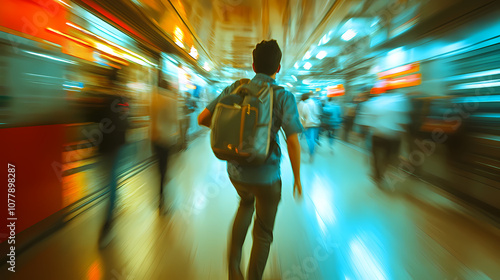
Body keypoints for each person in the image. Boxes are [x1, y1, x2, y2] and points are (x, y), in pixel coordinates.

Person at [197, 39, 303, 280]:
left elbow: (202, 118)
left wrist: (231, 129)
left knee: (245, 204)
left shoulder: (235, 88)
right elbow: (293, 142)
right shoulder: (283, 96)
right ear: (278, 67)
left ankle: (234, 270)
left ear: (253, 66)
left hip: (237, 173)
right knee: (263, 232)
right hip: (268, 177)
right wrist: (297, 179)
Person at [97, 69, 130, 248]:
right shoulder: (124, 99)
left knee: (108, 181)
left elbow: (99, 121)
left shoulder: (104, 99)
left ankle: (108, 222)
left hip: (106, 146)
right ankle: (113, 206)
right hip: (119, 144)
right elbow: (127, 121)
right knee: (112, 178)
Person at [360, 89, 410, 189]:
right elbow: (403, 122)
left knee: (375, 156)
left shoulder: (374, 102)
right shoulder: (400, 101)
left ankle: (377, 175)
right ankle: (382, 171)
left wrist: (365, 132)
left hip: (377, 134)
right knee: (390, 157)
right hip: (393, 136)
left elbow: (366, 122)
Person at [151, 80, 179, 213]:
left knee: (159, 168)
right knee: (164, 169)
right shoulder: (170, 99)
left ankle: (159, 196)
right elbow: (174, 119)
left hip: (154, 138)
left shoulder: (153, 97)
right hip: (166, 138)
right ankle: (162, 201)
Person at [298, 92, 321, 162]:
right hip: (316, 124)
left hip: (308, 124)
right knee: (312, 139)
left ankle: (309, 152)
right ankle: (312, 152)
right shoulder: (315, 103)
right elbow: (318, 113)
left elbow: (303, 115)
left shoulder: (304, 104)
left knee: (307, 139)